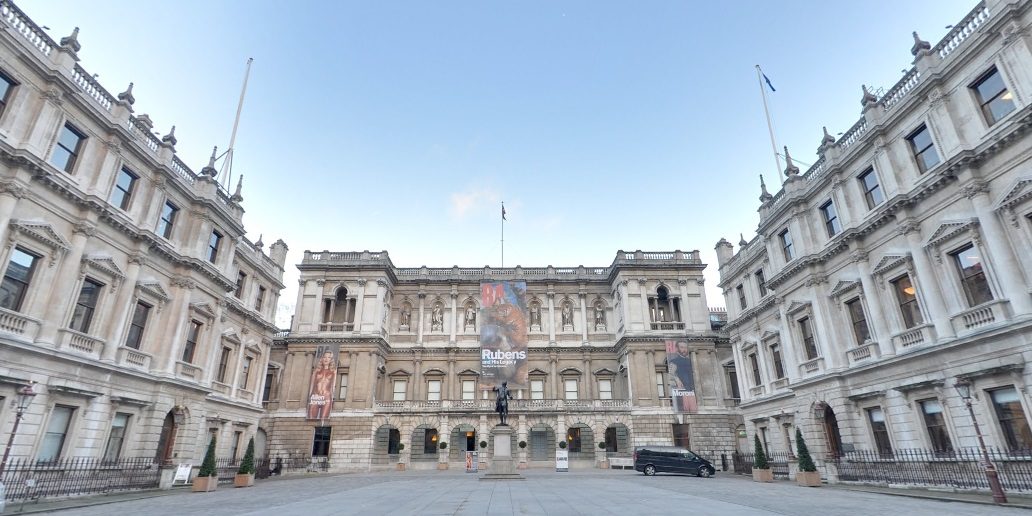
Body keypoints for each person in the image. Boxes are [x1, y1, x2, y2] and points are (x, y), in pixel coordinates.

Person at [667, 341, 697, 412]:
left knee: (692, 409)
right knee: (686, 409)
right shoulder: (674, 361)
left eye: (685, 347)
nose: (684, 350)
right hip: (682, 391)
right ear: (677, 349)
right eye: (682, 347)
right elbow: (671, 374)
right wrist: (677, 379)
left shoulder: (690, 360)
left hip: (692, 391)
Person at [307, 350, 336, 419]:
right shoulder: (316, 371)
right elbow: (312, 384)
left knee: (324, 419)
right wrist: (309, 396)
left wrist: (333, 397)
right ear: (322, 358)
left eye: (329, 357)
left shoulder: (333, 371)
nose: (326, 359)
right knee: (311, 418)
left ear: (331, 360)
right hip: (315, 397)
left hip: (326, 397)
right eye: (324, 357)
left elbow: (333, 385)